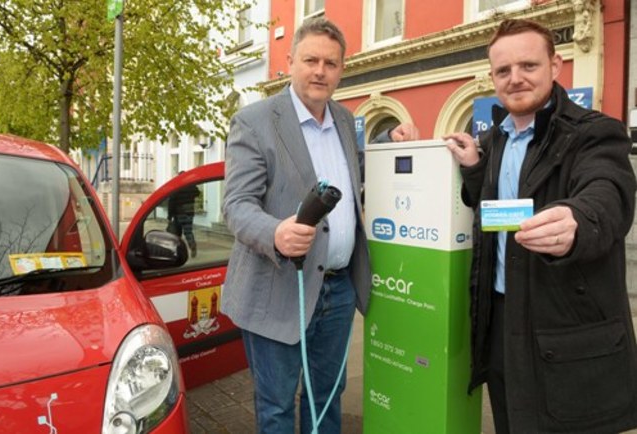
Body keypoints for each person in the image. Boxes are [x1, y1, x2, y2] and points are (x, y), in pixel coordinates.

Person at [222, 17, 417, 434]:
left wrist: (387, 144)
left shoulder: (346, 119)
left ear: (341, 69)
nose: (320, 71)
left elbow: (353, 170)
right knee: (276, 405)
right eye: (310, 60)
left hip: (339, 287)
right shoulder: (255, 121)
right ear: (290, 61)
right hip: (278, 286)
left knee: (327, 396)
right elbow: (237, 205)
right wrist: (275, 232)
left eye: (330, 63)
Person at [445, 19, 637, 434]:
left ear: (556, 66)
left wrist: (579, 219)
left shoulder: (594, 132)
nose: (515, 79)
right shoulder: (494, 140)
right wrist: (475, 170)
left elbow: (608, 193)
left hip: (562, 329)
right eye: (503, 71)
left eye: (528, 66)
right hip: (498, 321)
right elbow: (495, 207)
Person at [167, 178, 200, 257]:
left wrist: (169, 215)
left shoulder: (177, 187)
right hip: (190, 212)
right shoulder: (192, 186)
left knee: (177, 233)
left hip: (179, 213)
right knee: (188, 231)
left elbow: (171, 201)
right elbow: (197, 193)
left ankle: (177, 250)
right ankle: (192, 245)